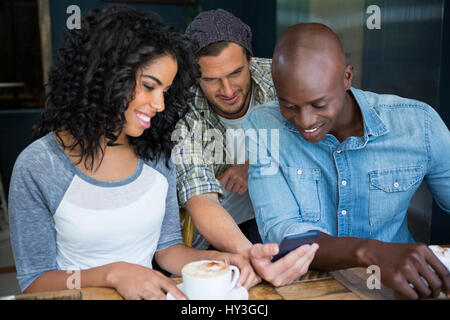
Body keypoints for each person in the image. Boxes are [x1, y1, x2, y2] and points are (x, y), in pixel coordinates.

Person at [8, 6, 255, 300]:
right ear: (105, 78)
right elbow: (35, 281)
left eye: (165, 91)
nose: (160, 104)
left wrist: (216, 260)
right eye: (149, 86)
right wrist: (113, 274)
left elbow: (166, 250)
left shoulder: (156, 152)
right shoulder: (39, 166)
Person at [243, 23, 450, 298]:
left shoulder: (419, 125)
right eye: (289, 105)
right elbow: (284, 235)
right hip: (309, 290)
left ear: (347, 77)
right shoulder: (263, 127)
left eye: (319, 104)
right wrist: (370, 252)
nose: (305, 121)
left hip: (403, 290)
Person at [172, 9, 318, 287]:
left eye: (235, 73)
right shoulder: (183, 107)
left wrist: (255, 166)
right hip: (220, 229)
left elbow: (319, 136)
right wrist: (248, 253)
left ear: (250, 61)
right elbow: (199, 195)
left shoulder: (279, 77)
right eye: (211, 79)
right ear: (194, 77)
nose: (227, 90)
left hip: (290, 215)